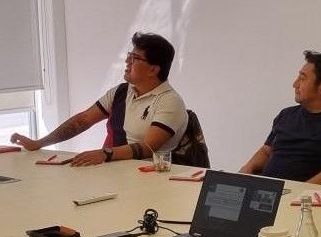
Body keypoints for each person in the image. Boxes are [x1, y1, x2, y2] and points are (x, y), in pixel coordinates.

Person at [10, 32, 188, 166]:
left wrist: (105, 153)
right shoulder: (121, 92)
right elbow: (83, 120)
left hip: (151, 179)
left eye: (135, 58)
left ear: (153, 70)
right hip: (117, 172)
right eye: (129, 55)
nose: (127, 61)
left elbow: (148, 147)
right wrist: (39, 143)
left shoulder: (170, 101)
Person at [239, 51, 321, 189]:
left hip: (305, 197)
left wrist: (296, 192)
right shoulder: (286, 115)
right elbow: (266, 151)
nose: (295, 84)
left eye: (302, 78)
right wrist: (244, 173)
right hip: (268, 193)